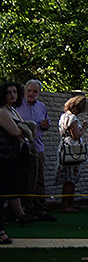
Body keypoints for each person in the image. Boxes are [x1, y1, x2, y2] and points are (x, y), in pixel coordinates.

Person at [1, 81, 35, 240]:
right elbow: (15, 131)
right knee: (4, 190)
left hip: (14, 156)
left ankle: (19, 214)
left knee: (12, 186)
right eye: (8, 92)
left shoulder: (12, 110)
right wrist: (26, 129)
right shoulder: (2, 111)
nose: (12, 95)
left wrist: (25, 129)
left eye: (14, 92)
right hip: (3, 157)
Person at [15, 79, 53, 221]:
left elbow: (46, 125)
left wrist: (45, 125)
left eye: (35, 91)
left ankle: (40, 209)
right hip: (21, 148)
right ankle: (22, 210)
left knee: (39, 179)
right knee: (23, 179)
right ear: (25, 91)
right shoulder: (17, 105)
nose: (31, 94)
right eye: (29, 91)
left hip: (38, 147)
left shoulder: (41, 106)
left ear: (39, 93)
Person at [55, 94, 88, 213]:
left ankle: (71, 202)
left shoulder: (63, 116)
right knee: (70, 178)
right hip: (72, 150)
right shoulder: (72, 118)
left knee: (70, 177)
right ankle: (65, 204)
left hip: (64, 148)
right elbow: (76, 135)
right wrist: (84, 127)